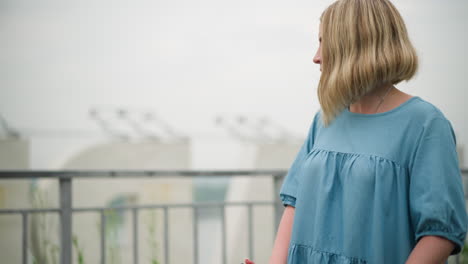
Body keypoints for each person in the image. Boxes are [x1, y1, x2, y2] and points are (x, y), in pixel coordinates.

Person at [244, 0, 467, 263]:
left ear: (353, 46)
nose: (316, 56)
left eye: (324, 42)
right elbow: (295, 202)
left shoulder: (425, 124)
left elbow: (440, 233)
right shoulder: (326, 119)